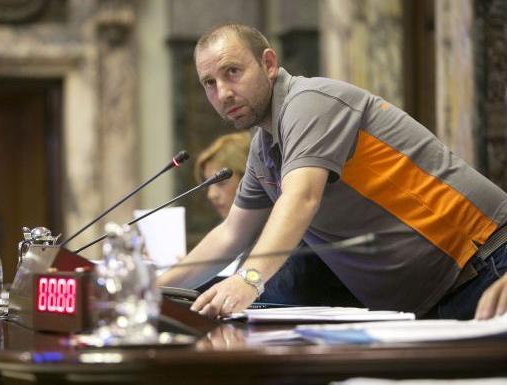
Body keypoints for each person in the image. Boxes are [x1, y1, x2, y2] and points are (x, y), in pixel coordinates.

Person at [156, 23, 507, 320]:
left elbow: (301, 197)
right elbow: (231, 233)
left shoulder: (309, 103)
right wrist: (150, 293)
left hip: (485, 264)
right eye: (209, 83)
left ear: (268, 64)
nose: (224, 93)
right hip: (431, 300)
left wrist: (248, 279)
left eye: (232, 72)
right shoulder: (264, 148)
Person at [193, 132, 361, 306]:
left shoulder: (299, 229)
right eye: (208, 185)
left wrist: (205, 290)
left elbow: (288, 290)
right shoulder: (234, 237)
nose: (211, 195)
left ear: (251, 178)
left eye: (220, 183)